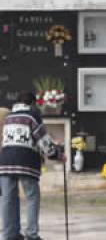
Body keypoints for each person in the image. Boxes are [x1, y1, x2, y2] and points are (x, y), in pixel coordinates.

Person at [0, 92, 61, 240]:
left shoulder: (8, 118)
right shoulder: (32, 116)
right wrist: (57, 155)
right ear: (32, 104)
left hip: (5, 162)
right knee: (32, 197)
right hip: (25, 162)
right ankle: (32, 235)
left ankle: (10, 234)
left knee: (8, 198)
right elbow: (43, 140)